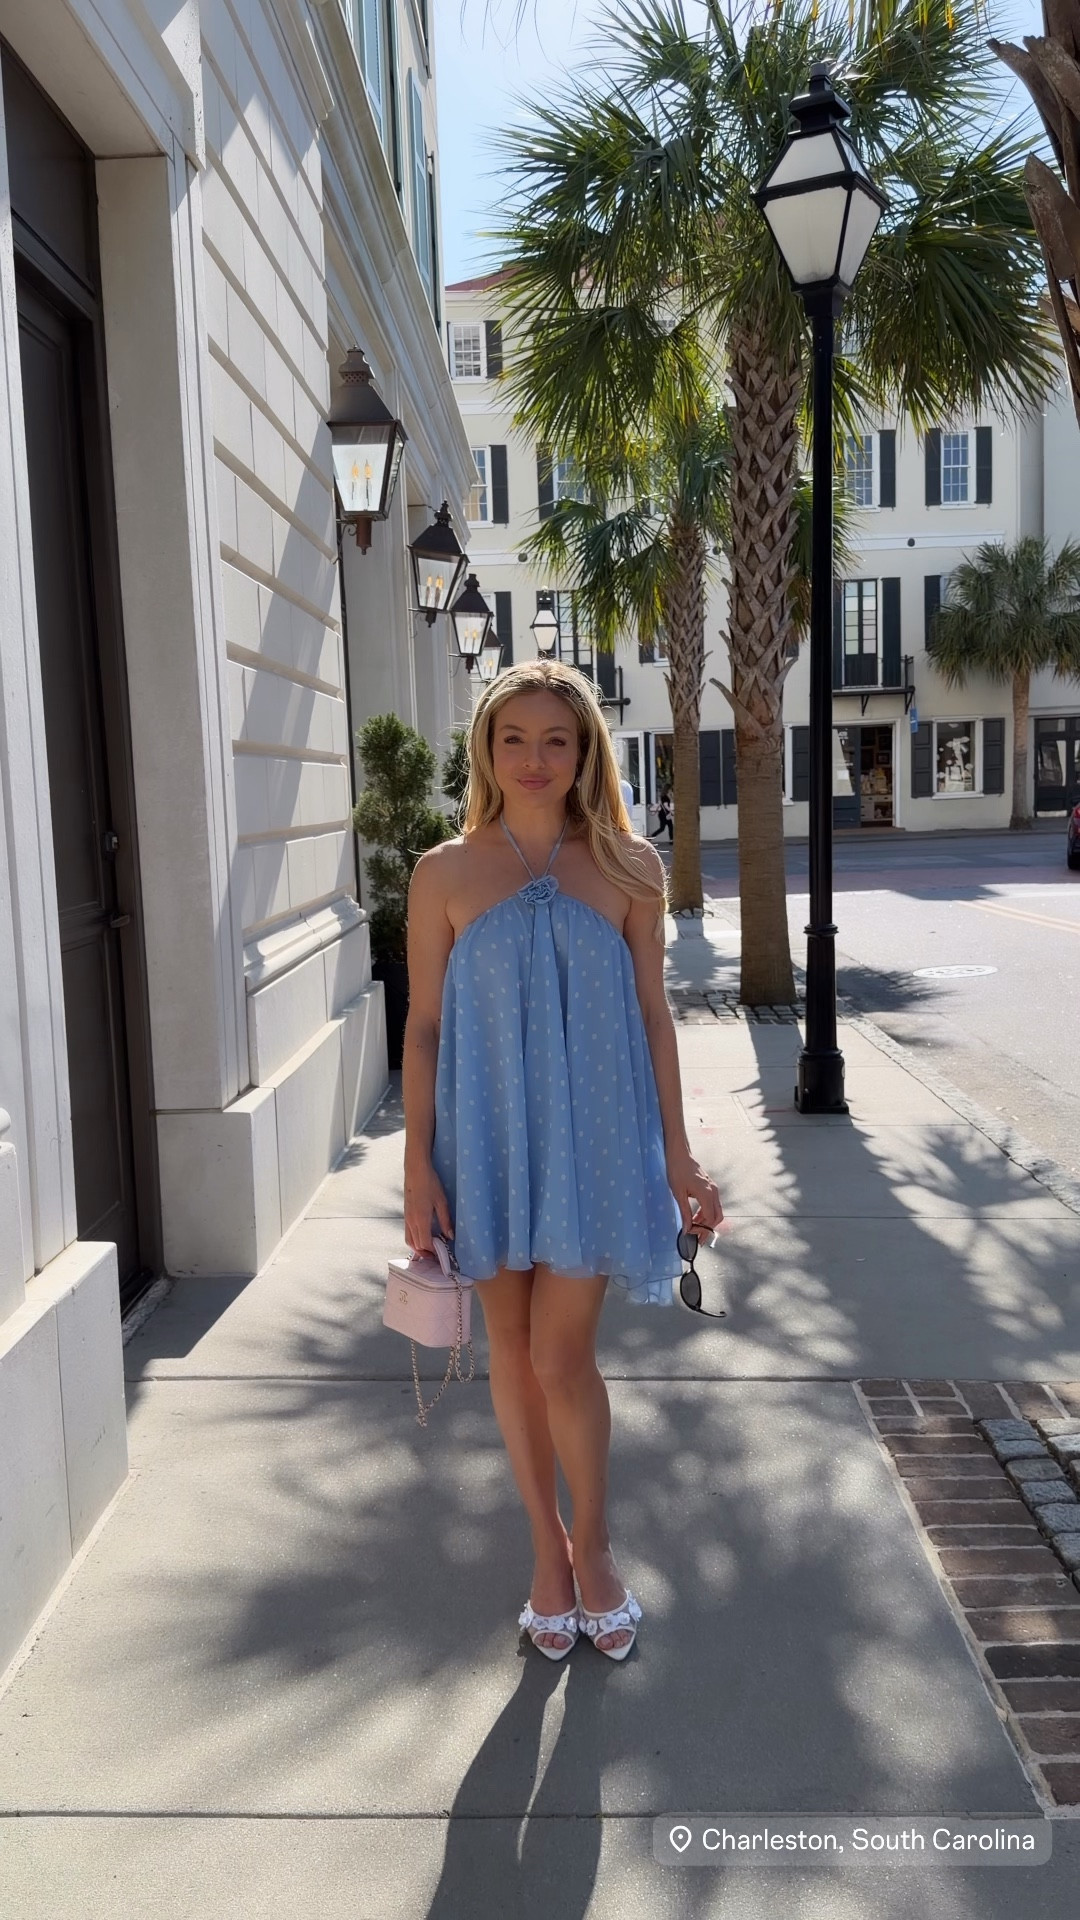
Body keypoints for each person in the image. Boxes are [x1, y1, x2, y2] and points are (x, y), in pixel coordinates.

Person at [403, 660, 723, 1661]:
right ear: (486, 751)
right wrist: (416, 1166)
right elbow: (423, 1026)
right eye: (514, 739)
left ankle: (597, 1548)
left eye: (555, 739)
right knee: (510, 1352)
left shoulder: (629, 865)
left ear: (586, 749)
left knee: (560, 1357)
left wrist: (679, 1157)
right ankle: (548, 1554)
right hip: (485, 1143)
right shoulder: (443, 872)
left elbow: (655, 1016)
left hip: (595, 1145)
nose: (534, 759)